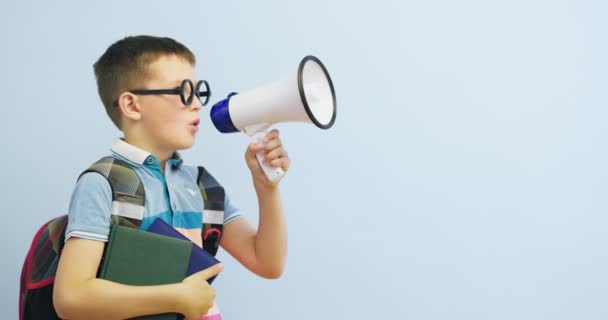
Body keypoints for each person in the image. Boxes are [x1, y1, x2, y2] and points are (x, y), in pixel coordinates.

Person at [52, 35, 289, 320]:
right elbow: (71, 297)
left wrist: (266, 189)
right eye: (182, 91)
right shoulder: (103, 183)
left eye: (197, 91)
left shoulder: (203, 186)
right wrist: (176, 297)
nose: (196, 105)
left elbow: (268, 263)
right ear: (132, 105)